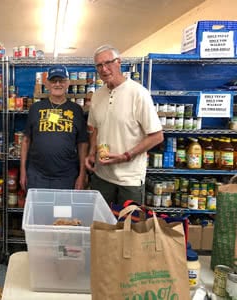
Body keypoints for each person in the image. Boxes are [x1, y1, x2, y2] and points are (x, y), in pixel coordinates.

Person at [85, 44, 164, 205]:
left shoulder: (138, 93)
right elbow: (96, 129)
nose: (104, 69)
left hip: (130, 180)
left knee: (128, 227)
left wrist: (126, 156)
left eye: (108, 63)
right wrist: (92, 153)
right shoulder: (97, 96)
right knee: (102, 225)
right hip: (102, 176)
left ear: (119, 62)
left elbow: (157, 136)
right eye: (99, 65)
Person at [20, 65, 88, 191]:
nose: (57, 84)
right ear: (47, 84)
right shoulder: (36, 108)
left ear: (68, 83)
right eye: (53, 81)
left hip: (67, 176)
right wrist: (23, 171)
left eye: (61, 80)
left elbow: (82, 144)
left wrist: (82, 174)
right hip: (37, 175)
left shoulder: (76, 110)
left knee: (63, 211)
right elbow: (26, 141)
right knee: (39, 210)